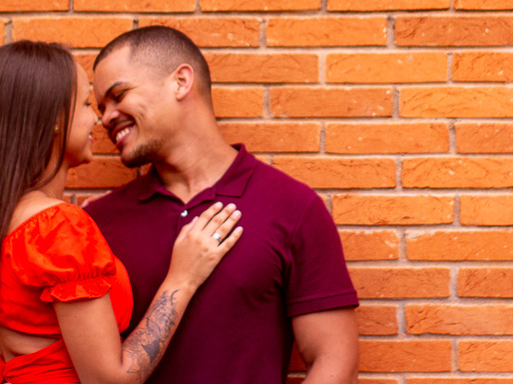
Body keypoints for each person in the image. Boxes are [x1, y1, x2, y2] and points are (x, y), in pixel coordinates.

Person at [0, 40, 242, 384]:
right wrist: (182, 279)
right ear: (54, 119)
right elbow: (109, 381)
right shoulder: (58, 229)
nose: (98, 120)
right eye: (86, 103)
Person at [84, 26, 360, 384]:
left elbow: (336, 360)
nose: (106, 117)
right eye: (101, 107)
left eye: (118, 95)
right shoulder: (98, 222)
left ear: (181, 82)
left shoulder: (291, 206)